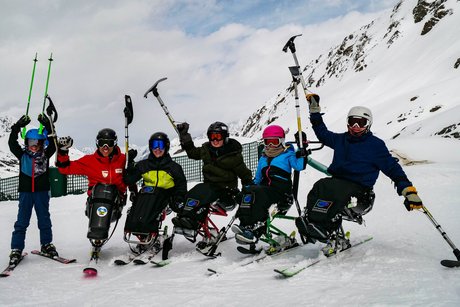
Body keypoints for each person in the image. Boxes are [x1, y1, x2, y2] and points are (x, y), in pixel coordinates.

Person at [296, 94, 423, 253]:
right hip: (337, 185)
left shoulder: (375, 145)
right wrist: (314, 111)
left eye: (361, 122)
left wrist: (407, 190)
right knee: (321, 185)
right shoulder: (341, 140)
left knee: (336, 191)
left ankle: (325, 228)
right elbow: (322, 133)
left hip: (361, 193)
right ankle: (312, 222)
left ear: (368, 124)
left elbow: (392, 168)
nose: (356, 126)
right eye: (352, 121)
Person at [56, 128, 134, 255]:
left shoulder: (122, 160)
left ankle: (143, 237)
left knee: (109, 188)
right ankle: (97, 233)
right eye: (102, 142)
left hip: (115, 204)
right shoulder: (90, 161)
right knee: (101, 188)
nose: (105, 147)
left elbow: (132, 177)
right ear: (97, 143)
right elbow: (65, 169)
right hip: (95, 203)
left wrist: (131, 163)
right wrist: (63, 151)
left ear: (115, 143)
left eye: (109, 143)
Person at [172, 121, 253, 237]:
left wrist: (248, 189)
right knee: (196, 190)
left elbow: (245, 174)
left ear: (225, 137)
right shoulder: (207, 149)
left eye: (218, 137)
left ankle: (192, 220)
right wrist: (184, 136)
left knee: (204, 193)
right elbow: (193, 153)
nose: (215, 140)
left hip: (227, 190)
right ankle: (183, 216)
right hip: (209, 186)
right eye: (212, 136)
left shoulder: (233, 155)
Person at [232, 125, 307, 246]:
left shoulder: (288, 154)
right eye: (268, 142)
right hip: (265, 190)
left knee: (258, 193)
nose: (270, 146)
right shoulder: (263, 158)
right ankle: (245, 225)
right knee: (249, 192)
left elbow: (299, 166)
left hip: (281, 193)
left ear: (281, 141)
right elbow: (257, 179)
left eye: (274, 142)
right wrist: (247, 188)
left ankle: (255, 229)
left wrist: (302, 149)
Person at [123, 132, 187, 255]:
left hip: (165, 196)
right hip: (147, 196)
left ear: (166, 147)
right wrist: (129, 163)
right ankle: (140, 235)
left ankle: (152, 235)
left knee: (152, 209)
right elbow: (129, 180)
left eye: (160, 145)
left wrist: (178, 198)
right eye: (154, 145)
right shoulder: (144, 165)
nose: (157, 149)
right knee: (137, 211)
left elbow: (181, 185)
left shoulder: (173, 167)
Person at [8, 114, 57, 265]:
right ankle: (16, 248)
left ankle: (46, 244)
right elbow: (11, 143)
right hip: (26, 193)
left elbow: (54, 144)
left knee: (44, 219)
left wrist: (48, 125)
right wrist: (17, 127)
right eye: (31, 142)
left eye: (38, 142)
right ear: (26, 143)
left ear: (43, 143)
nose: (34, 146)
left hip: (41, 193)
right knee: (22, 221)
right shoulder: (22, 155)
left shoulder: (46, 155)